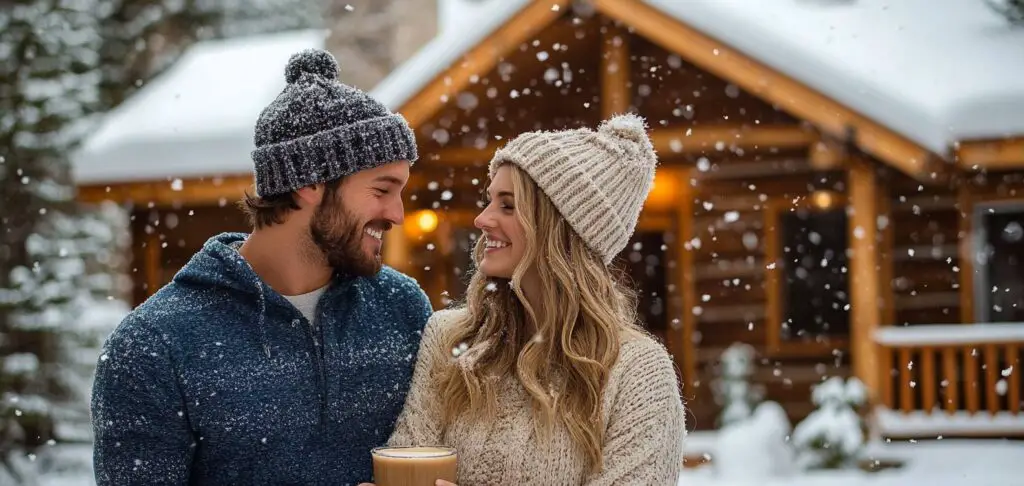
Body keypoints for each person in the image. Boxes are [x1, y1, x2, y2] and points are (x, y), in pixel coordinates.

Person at [90, 48, 432, 485]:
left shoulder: (402, 309)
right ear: (309, 182)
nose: (398, 214)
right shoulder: (154, 345)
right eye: (382, 189)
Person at [374, 114, 686, 486]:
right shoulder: (447, 339)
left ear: (560, 229)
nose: (482, 219)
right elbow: (409, 469)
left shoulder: (638, 372)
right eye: (489, 201)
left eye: (508, 206)